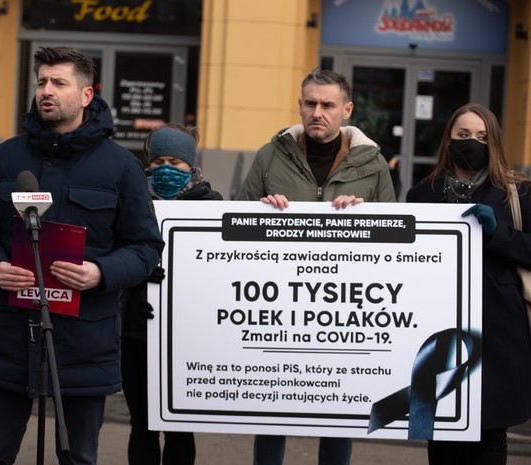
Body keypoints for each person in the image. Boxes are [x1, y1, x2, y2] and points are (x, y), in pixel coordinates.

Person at [0, 46, 164, 465]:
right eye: (41, 82)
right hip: (9, 334)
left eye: (58, 82)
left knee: (77, 457)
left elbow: (146, 247)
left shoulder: (121, 166)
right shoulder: (8, 156)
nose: (46, 90)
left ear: (87, 95)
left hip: (84, 341)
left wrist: (100, 272)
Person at [235, 68, 396, 465]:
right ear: (300, 105)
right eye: (310, 103)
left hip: (344, 309)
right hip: (278, 306)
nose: (317, 112)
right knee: (272, 410)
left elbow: (392, 238)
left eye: (327, 105)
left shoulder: (373, 163)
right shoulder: (270, 156)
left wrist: (365, 214)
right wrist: (261, 211)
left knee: (339, 414)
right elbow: (235, 227)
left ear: (347, 110)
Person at [407, 103, 531, 465]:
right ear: (449, 139)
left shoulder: (519, 193)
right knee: (442, 430)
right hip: (438, 331)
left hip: (499, 332)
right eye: (463, 134)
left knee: (489, 434)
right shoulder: (422, 194)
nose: (472, 142)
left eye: (482, 136)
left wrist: (499, 234)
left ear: (494, 143)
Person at [121, 124, 222, 465]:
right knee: (142, 425)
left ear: (190, 165)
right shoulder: (132, 200)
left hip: (187, 335)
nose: (166, 169)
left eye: (175, 163)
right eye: (159, 161)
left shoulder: (212, 205)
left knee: (180, 427)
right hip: (136, 331)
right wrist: (137, 274)